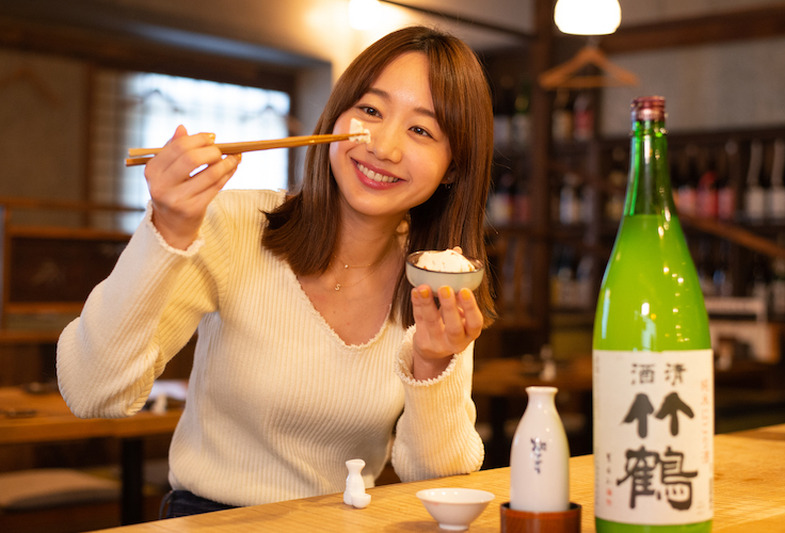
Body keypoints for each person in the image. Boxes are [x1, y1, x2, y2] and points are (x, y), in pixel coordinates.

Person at [57, 25, 497, 517]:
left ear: (454, 167)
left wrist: (433, 362)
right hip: (209, 521)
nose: (384, 147)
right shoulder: (236, 225)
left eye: (421, 130)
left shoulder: (437, 279)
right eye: (370, 110)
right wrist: (167, 230)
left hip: (343, 524)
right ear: (335, 118)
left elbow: (440, 484)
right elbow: (94, 392)